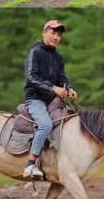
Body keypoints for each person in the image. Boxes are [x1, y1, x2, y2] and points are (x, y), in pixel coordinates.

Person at [22, 20, 78, 179]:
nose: (56, 37)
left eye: (59, 35)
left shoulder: (58, 57)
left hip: (52, 100)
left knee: (72, 119)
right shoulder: (36, 52)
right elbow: (31, 77)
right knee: (45, 124)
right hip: (35, 98)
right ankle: (30, 165)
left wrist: (69, 89)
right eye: (53, 33)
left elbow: (62, 79)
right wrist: (53, 88)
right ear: (44, 32)